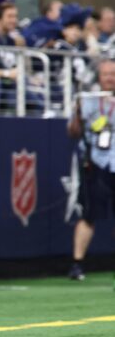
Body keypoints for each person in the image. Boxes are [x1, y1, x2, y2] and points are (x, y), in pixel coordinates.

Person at [67, 58, 115, 281]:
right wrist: (77, 111)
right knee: (89, 213)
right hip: (96, 161)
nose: (110, 78)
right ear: (99, 77)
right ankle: (77, 263)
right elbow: (73, 132)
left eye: (113, 74)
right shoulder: (88, 100)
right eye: (106, 74)